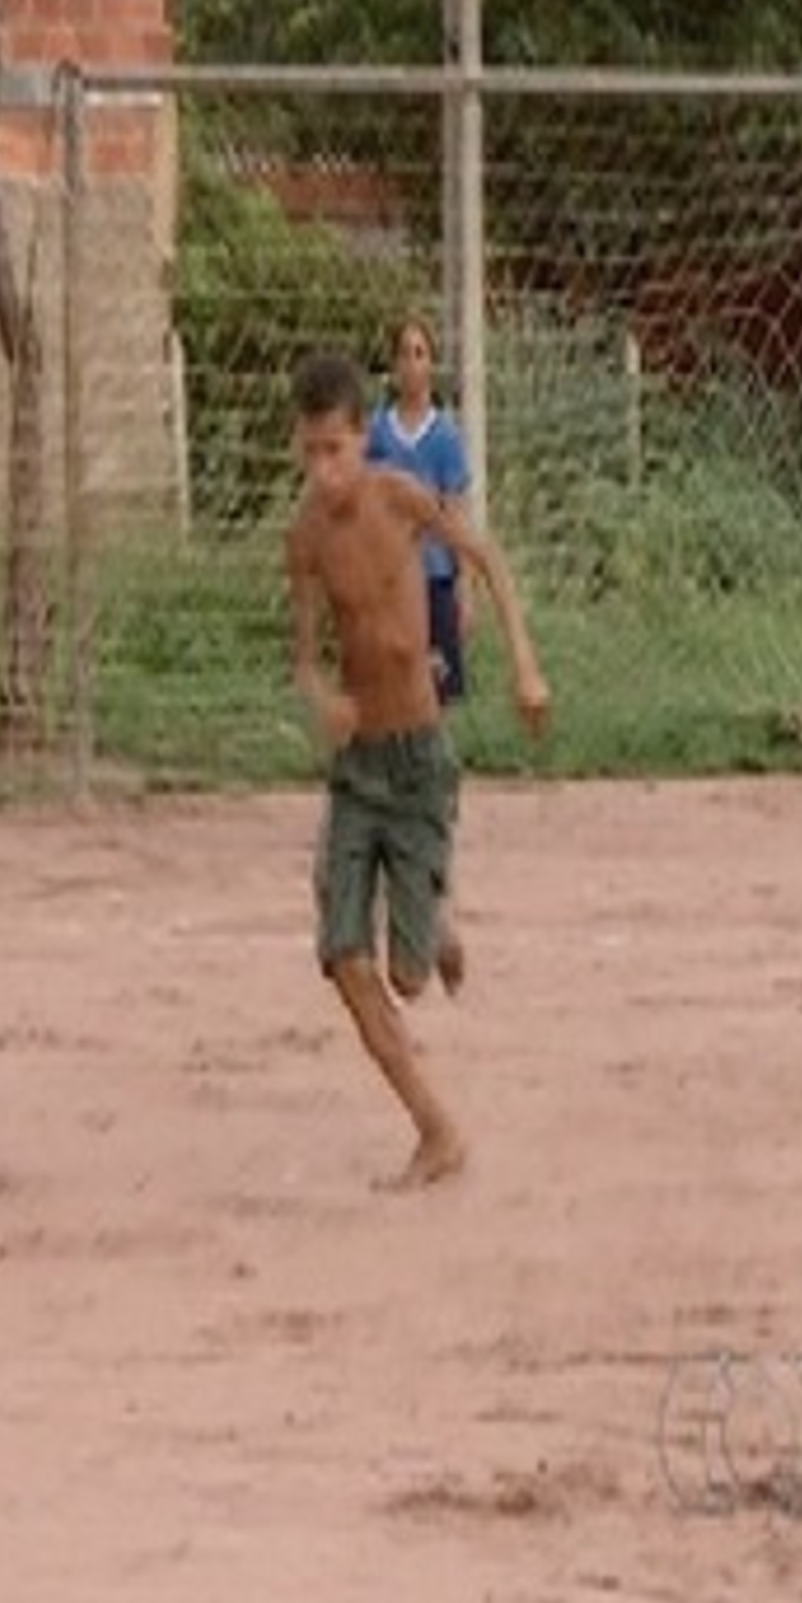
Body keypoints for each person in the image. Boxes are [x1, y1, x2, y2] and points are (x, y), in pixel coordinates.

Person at [287, 346, 549, 1189]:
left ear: (364, 440)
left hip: (420, 760)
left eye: (337, 448)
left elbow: (487, 560)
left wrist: (524, 665)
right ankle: (434, 1128)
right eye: (310, 452)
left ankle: (431, 923)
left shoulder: (399, 500)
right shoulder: (303, 540)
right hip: (359, 767)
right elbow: (302, 655)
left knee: (409, 973)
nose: (326, 469)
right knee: (341, 956)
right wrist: (320, 694)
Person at [364, 310, 475, 703]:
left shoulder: (444, 436)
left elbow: (456, 512)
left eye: (420, 353)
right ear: (392, 365)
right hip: (390, 577)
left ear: (431, 362)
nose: (411, 364)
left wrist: (465, 586)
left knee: (437, 687)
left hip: (435, 577)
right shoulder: (377, 431)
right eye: (403, 354)